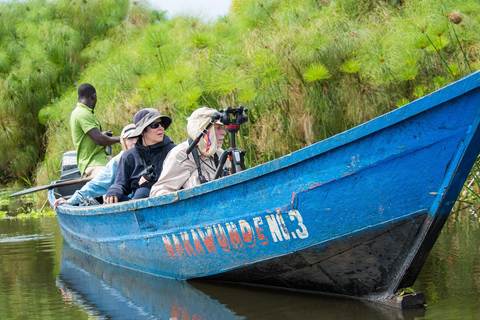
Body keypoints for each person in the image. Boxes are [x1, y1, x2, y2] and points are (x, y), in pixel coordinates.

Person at [53, 124, 138, 209]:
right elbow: (95, 185)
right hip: (125, 204)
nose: (134, 141)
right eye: (130, 138)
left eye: (137, 137)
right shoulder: (117, 161)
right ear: (124, 142)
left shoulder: (147, 156)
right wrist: (70, 201)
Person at [150, 107, 227, 197]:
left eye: (222, 127)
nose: (223, 132)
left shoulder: (221, 154)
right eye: (217, 128)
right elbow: (158, 192)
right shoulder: (180, 155)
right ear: (202, 129)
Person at [105, 108, 175, 203]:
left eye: (161, 124)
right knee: (117, 198)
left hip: (171, 198)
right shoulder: (129, 156)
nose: (161, 128)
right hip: (139, 204)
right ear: (142, 132)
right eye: (155, 125)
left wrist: (152, 183)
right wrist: (114, 191)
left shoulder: (173, 151)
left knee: (143, 192)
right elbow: (121, 184)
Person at [71, 83, 120, 178]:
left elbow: (90, 136)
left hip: (101, 158)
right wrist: (119, 139)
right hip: (94, 164)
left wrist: (101, 134)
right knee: (110, 186)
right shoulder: (83, 113)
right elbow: (99, 140)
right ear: (93, 96)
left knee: (124, 168)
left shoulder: (79, 112)